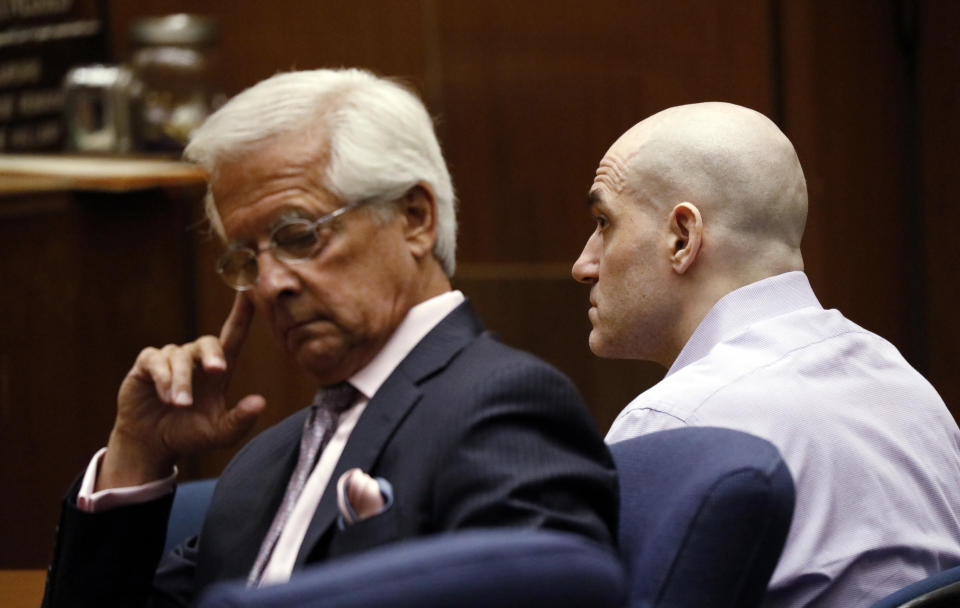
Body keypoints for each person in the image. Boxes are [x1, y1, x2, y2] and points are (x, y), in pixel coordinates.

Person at [43, 68, 618, 607]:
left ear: (415, 218)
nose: (268, 285)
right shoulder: (263, 463)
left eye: (298, 236)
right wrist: (135, 454)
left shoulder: (504, 406)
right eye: (246, 258)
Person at [572, 101, 960, 607]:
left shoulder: (674, 426)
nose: (584, 264)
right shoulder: (907, 388)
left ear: (681, 238)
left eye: (604, 222)